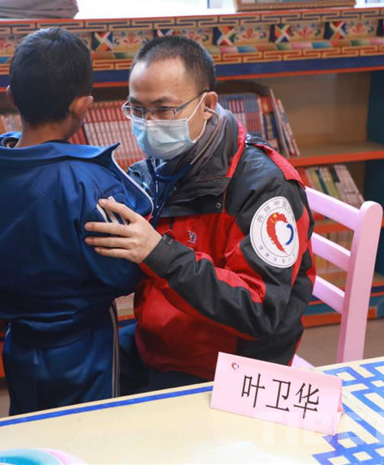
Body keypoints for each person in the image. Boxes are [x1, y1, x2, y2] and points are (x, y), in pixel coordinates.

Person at [84, 36, 315, 394]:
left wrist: (158, 253)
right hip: (162, 339)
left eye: (163, 109)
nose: (148, 124)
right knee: (78, 371)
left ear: (207, 105)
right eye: (137, 110)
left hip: (227, 366)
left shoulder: (265, 188)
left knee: (107, 409)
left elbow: (260, 310)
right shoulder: (159, 167)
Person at [0, 28, 152, 415]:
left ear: (11, 96)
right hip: (86, 343)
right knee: (88, 428)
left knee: (29, 420)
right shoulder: (90, 180)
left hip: (18, 338)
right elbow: (122, 273)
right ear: (83, 106)